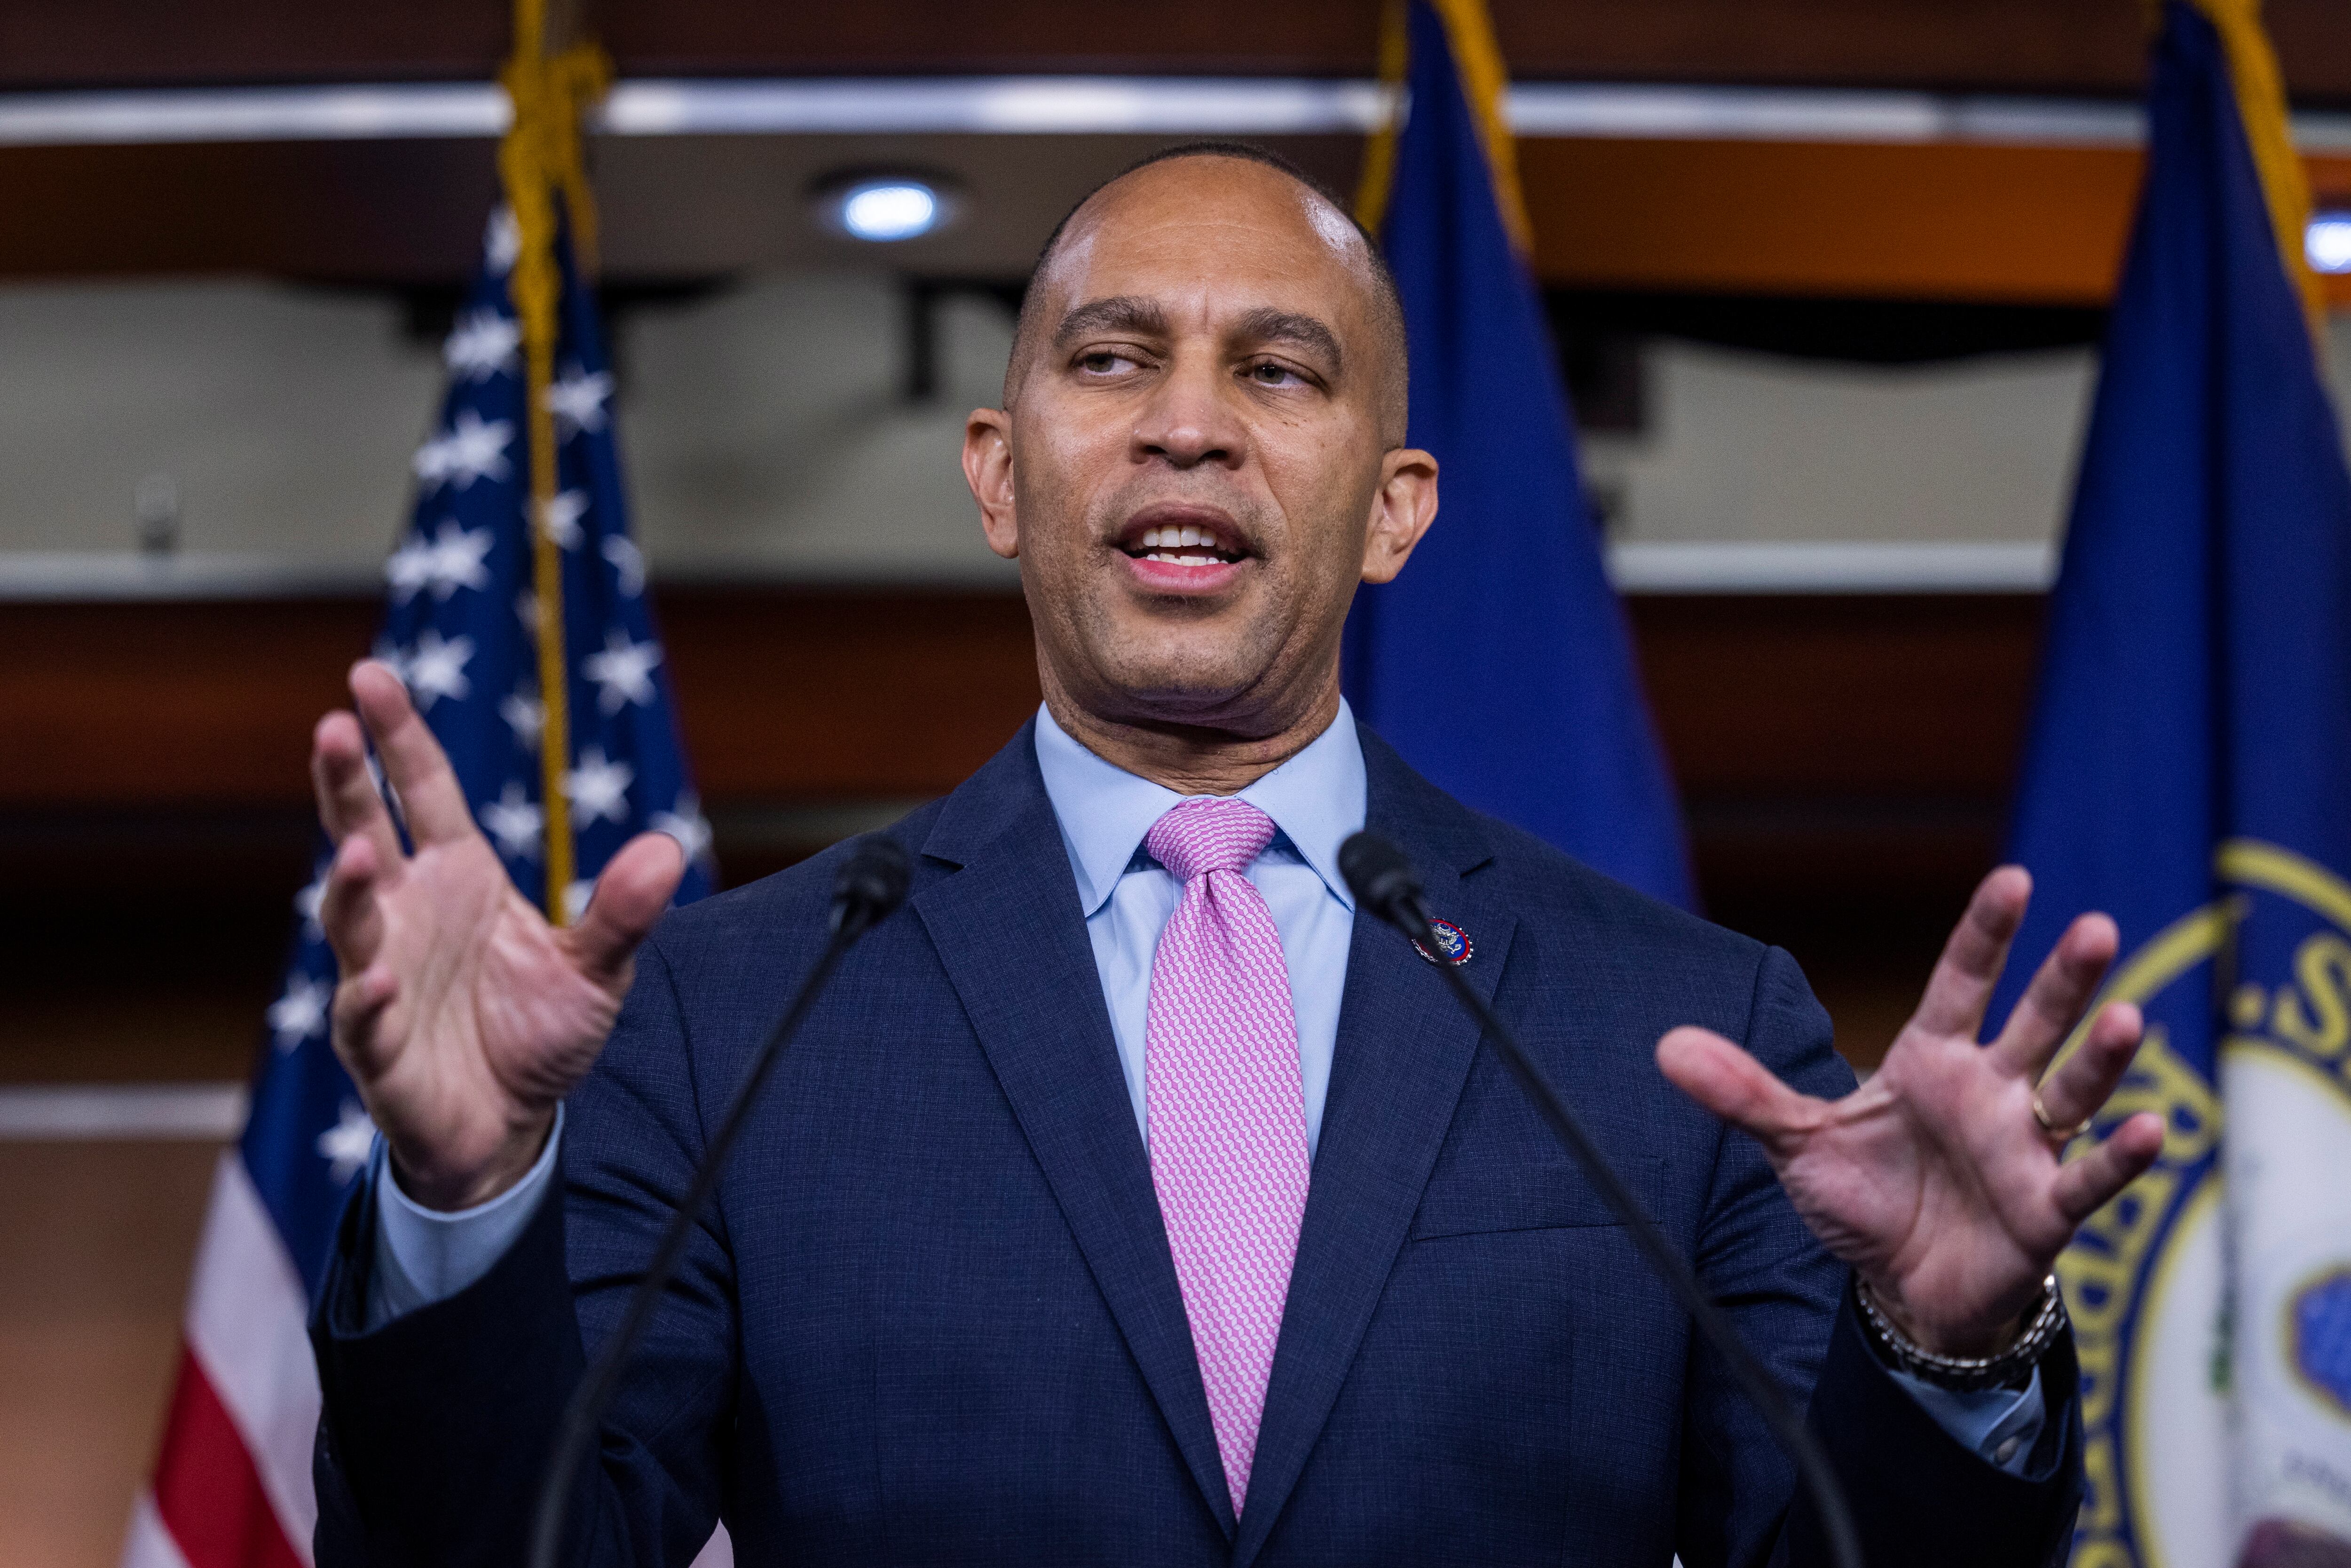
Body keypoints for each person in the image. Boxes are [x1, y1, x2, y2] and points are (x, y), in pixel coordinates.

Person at [305, 144, 2164, 1567]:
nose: (1186, 422)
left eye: (1278, 374)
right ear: (1000, 473)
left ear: (1392, 507)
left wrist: (1940, 1352)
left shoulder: (1673, 1030)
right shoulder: (732, 1017)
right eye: (1111, 360)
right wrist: (460, 1205)